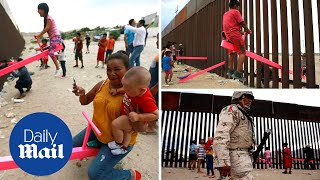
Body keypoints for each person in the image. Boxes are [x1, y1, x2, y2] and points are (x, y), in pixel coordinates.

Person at [72, 52, 141, 180]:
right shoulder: (102, 85)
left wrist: (135, 117)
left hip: (117, 142)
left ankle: (130, 175)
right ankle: (99, 145)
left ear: (129, 70)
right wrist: (81, 93)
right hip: (96, 129)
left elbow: (141, 128)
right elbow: (85, 101)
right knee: (70, 145)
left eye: (117, 69)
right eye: (108, 69)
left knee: (95, 175)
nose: (111, 73)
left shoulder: (134, 95)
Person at [108, 66, 158, 155]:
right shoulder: (133, 89)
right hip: (128, 114)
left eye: (127, 89)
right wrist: (117, 91)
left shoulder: (146, 99)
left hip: (132, 117)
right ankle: (124, 148)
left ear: (142, 89)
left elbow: (156, 114)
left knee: (115, 124)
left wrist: (139, 117)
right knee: (127, 132)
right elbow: (125, 88)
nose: (125, 90)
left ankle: (118, 143)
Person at [213, 91, 255, 179]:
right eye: (247, 97)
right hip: (235, 156)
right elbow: (221, 135)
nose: (250, 100)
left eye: (251, 98)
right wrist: (224, 162)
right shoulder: (231, 110)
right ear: (238, 98)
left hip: (242, 157)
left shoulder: (244, 114)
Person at [223, 0, 251, 81]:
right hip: (235, 36)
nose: (238, 8)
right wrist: (248, 30)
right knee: (242, 52)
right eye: (238, 6)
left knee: (231, 53)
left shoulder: (225, 14)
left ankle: (230, 70)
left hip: (227, 36)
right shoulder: (235, 12)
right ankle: (238, 73)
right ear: (235, 5)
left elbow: (230, 26)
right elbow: (242, 23)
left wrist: (241, 32)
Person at [36, 3, 62, 76]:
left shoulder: (49, 18)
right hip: (53, 38)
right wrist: (38, 35)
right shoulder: (46, 19)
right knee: (48, 50)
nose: (38, 11)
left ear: (43, 10)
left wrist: (38, 35)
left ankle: (58, 68)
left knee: (50, 52)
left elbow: (47, 28)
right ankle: (58, 67)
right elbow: (46, 29)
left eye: (39, 9)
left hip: (56, 37)